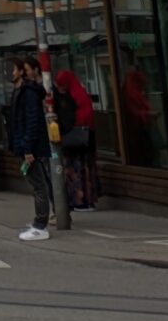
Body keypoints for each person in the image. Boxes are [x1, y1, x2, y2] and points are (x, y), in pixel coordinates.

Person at [6, 55, 58, 240]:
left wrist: (28, 148)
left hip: (30, 147)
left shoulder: (27, 93)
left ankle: (40, 225)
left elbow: (32, 121)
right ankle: (40, 221)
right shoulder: (20, 91)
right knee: (37, 183)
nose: (11, 73)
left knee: (39, 185)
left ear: (21, 72)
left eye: (14, 69)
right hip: (24, 145)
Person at [53, 63, 100, 211]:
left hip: (75, 139)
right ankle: (86, 199)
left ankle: (80, 200)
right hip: (85, 139)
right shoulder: (79, 93)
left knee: (76, 171)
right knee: (84, 170)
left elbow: (74, 117)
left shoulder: (71, 97)